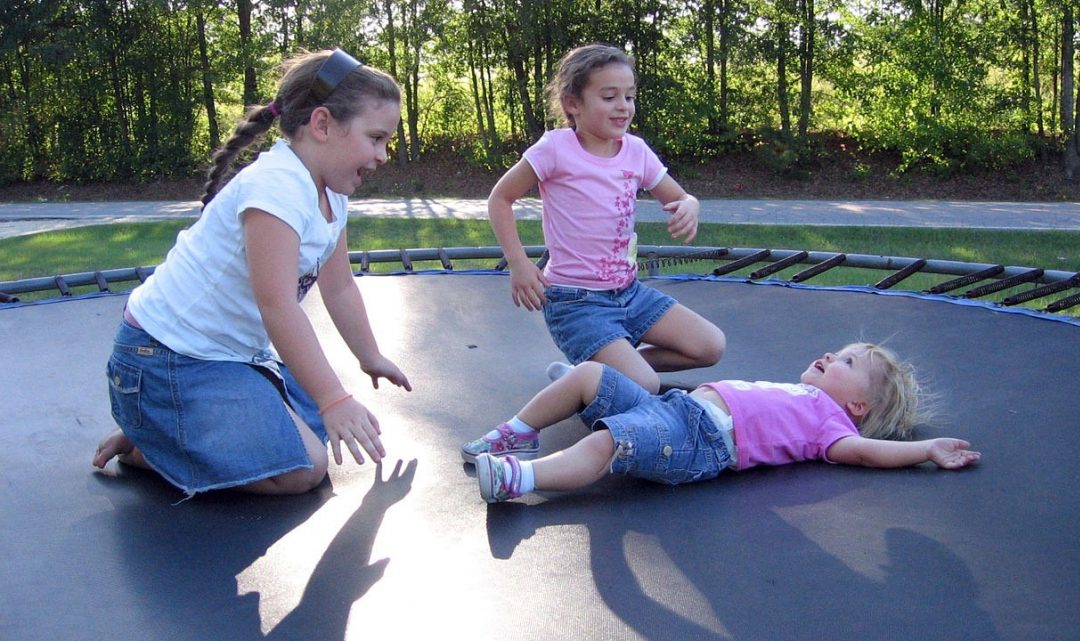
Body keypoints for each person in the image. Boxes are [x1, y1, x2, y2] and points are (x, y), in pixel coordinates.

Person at [92, 48, 411, 496]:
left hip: (225, 356)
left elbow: (338, 287)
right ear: (322, 125)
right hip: (164, 358)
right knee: (304, 468)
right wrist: (335, 398)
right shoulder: (276, 187)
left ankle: (169, 428)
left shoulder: (332, 194)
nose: (382, 155)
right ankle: (154, 438)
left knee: (319, 425)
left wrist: (369, 356)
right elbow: (277, 305)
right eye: (375, 138)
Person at [486, 43, 725, 397]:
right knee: (644, 384)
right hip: (576, 301)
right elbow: (500, 198)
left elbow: (679, 197)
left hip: (629, 294)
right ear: (573, 104)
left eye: (629, 97)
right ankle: (602, 375)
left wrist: (691, 206)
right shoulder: (555, 148)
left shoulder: (636, 151)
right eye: (610, 96)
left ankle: (595, 371)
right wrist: (519, 264)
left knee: (710, 346)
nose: (623, 107)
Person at [462, 343, 980, 503]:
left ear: (859, 408)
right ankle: (520, 429)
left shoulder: (831, 428)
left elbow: (870, 453)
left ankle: (520, 479)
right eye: (838, 350)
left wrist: (925, 448)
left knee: (611, 442)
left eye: (846, 363)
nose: (830, 355)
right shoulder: (802, 392)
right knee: (590, 374)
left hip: (696, 444)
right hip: (677, 408)